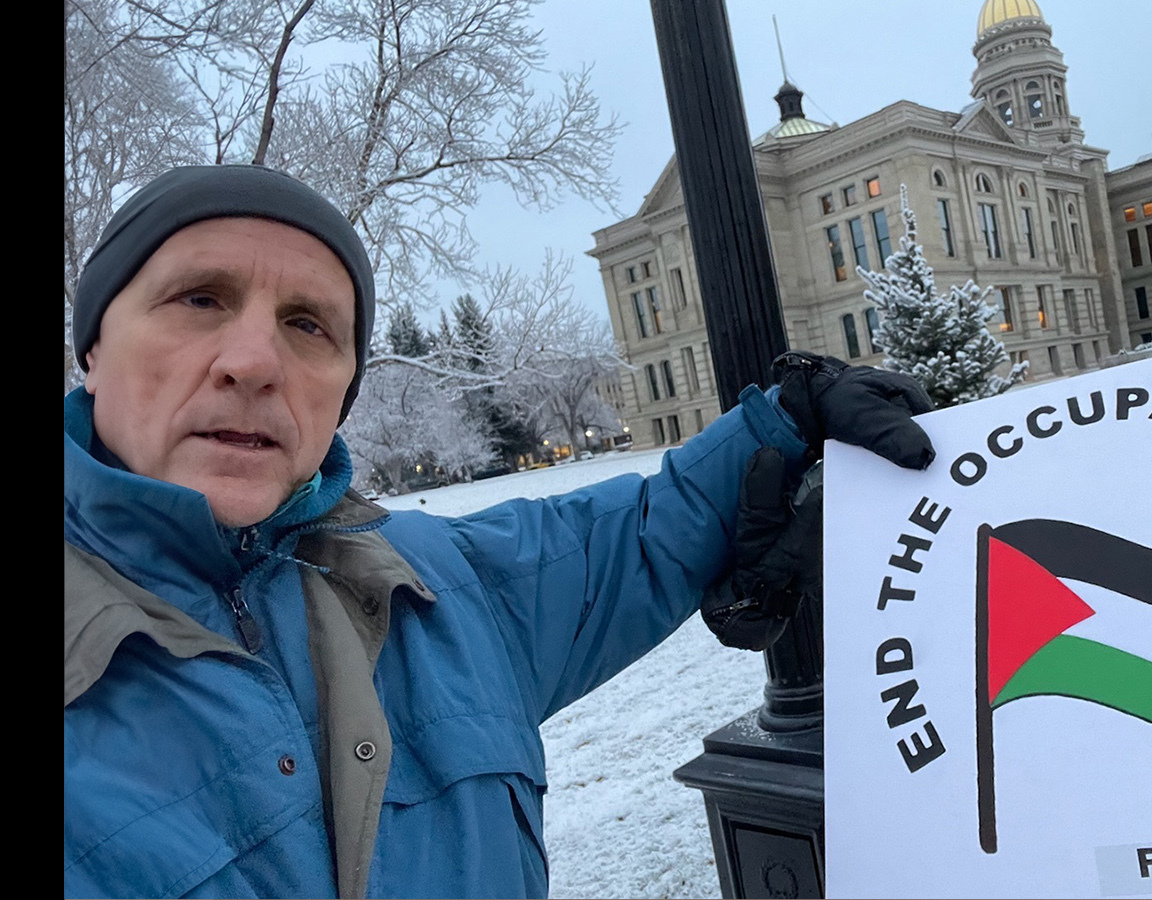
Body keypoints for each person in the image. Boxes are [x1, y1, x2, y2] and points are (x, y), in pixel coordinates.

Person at [64, 165, 935, 898]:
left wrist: (789, 421)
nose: (254, 362)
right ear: (94, 349)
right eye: (199, 299)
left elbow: (647, 530)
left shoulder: (443, 587)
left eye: (308, 325)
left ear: (343, 390)